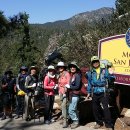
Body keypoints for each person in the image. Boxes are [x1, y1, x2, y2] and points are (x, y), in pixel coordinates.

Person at [86, 56, 113, 130]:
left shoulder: (104, 70)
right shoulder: (90, 73)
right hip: (94, 92)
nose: (95, 63)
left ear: (99, 62)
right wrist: (88, 92)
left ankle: (109, 125)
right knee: (95, 108)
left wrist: (110, 74)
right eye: (93, 62)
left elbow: (111, 79)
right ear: (91, 63)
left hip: (103, 91)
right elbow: (89, 83)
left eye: (96, 61)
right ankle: (99, 122)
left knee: (106, 108)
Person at [67, 61, 81, 129]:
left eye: (74, 67)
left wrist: (70, 87)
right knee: (74, 109)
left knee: (71, 110)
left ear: (76, 68)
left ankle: (75, 121)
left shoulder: (77, 76)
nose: (72, 68)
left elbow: (77, 86)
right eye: (71, 67)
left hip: (75, 95)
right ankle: (76, 121)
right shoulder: (73, 75)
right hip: (72, 95)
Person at [57, 61, 70, 128]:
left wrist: (65, 91)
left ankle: (65, 121)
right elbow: (59, 84)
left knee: (64, 106)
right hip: (61, 92)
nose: (60, 68)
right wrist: (59, 90)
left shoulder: (67, 74)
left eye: (61, 67)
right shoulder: (59, 74)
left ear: (64, 67)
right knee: (62, 106)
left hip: (65, 92)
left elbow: (68, 83)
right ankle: (64, 119)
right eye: (59, 67)